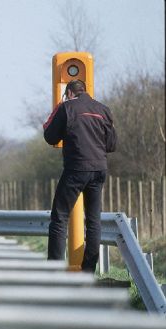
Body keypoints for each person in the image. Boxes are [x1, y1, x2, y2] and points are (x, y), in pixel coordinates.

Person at [43, 79, 117, 273]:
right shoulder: (103, 109)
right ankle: (88, 271)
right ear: (85, 91)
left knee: (59, 218)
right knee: (93, 221)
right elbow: (111, 145)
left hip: (76, 169)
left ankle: (54, 271)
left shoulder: (67, 108)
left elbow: (50, 137)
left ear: (69, 93)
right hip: (99, 169)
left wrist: (57, 109)